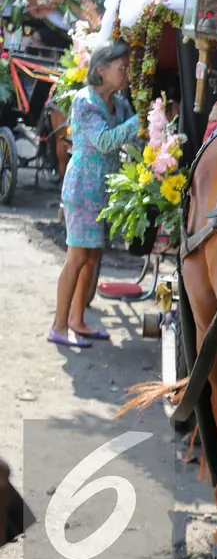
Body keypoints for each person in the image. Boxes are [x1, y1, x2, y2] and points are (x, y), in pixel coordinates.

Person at [48, 41, 140, 347]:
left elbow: (133, 138)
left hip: (105, 188)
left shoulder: (120, 102)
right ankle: (59, 326)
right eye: (121, 68)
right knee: (77, 257)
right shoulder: (85, 102)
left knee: (92, 258)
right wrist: (144, 122)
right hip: (84, 187)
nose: (127, 73)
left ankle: (77, 320)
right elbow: (104, 140)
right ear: (101, 70)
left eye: (127, 67)